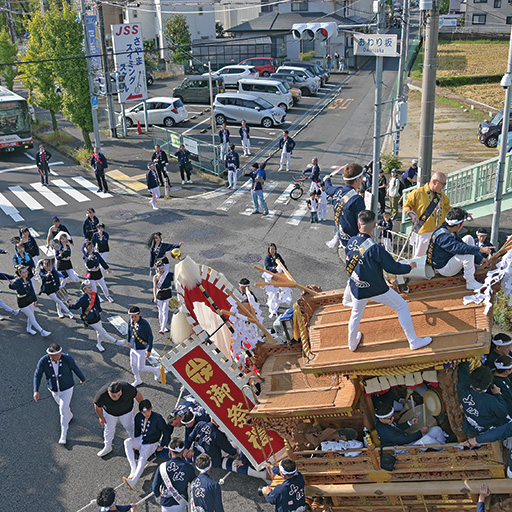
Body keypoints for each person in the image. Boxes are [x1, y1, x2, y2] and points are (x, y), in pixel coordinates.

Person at [343, 210, 432, 352]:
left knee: (355, 315)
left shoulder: (351, 241)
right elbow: (393, 268)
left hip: (357, 287)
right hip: (376, 288)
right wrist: (409, 267)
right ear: (374, 225)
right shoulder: (376, 248)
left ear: (359, 225)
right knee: (402, 306)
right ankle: (413, 341)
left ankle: (352, 344)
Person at [458, 361, 512, 478]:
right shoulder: (489, 400)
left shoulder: (463, 390)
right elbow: (503, 412)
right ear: (488, 385)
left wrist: (466, 361)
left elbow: (462, 374)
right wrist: (498, 394)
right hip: (488, 429)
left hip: (472, 427)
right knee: (508, 420)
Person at [426, 207, 493, 291]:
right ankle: (470, 282)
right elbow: (459, 248)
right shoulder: (443, 237)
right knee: (467, 253)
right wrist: (480, 250)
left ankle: (473, 265)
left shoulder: (447, 228)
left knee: (468, 238)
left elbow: (462, 244)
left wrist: (480, 259)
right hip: (444, 268)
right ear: (458, 225)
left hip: (449, 259)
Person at [33, 343, 86, 444]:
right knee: (64, 408)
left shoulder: (67, 358)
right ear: (50, 355)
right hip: (53, 390)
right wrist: (36, 390)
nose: (59, 356)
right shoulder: (43, 361)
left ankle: (63, 434)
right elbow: (37, 375)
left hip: (67, 388)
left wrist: (82, 378)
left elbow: (75, 368)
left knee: (62, 410)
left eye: (60, 354)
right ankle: (69, 415)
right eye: (56, 355)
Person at [123, 399, 172, 489]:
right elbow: (137, 430)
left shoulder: (158, 418)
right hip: (141, 438)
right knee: (127, 442)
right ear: (140, 412)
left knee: (142, 458)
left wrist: (162, 445)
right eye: (144, 412)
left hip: (151, 443)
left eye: (148, 411)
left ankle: (133, 481)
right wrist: (135, 444)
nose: (146, 414)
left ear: (151, 409)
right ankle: (133, 469)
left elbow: (166, 431)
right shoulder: (138, 417)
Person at [403, 171, 451, 257]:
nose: (444, 187)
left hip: (438, 232)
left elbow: (448, 209)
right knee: (418, 258)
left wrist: (462, 214)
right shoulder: (418, 193)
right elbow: (406, 205)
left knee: (436, 258)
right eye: (443, 184)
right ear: (434, 182)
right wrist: (412, 215)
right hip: (423, 232)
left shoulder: (442, 196)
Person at [68, 280, 124, 352]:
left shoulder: (94, 294)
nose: (91, 288)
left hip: (97, 316)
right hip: (89, 318)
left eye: (91, 287)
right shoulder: (83, 298)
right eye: (88, 288)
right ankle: (116, 341)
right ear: (84, 289)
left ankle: (99, 344)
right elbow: (76, 306)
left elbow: (97, 303)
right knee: (103, 331)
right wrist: (70, 305)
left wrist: (99, 310)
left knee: (99, 332)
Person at [94, 381, 143, 457]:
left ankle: (136, 444)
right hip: (110, 413)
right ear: (108, 392)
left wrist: (142, 408)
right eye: (113, 396)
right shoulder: (102, 394)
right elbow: (97, 406)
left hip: (126, 412)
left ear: (121, 390)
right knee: (109, 429)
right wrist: (101, 417)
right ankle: (107, 446)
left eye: (119, 395)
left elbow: (137, 394)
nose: (116, 397)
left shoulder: (127, 388)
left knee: (130, 427)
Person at [324, 163, 366, 250]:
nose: (362, 180)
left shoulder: (337, 191)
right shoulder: (357, 200)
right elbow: (361, 225)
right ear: (357, 179)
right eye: (361, 177)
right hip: (354, 244)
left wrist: (327, 179)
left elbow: (328, 188)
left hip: (342, 237)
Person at [152, 438, 196, 512]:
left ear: (170, 451)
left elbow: (155, 486)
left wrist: (159, 495)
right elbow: (194, 484)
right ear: (183, 451)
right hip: (181, 503)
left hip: (166, 504)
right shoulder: (188, 467)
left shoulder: (162, 466)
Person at [375, 403, 447, 448]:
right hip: (401, 449)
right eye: (390, 418)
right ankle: (445, 450)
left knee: (437, 429)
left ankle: (443, 447)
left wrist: (409, 423)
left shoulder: (386, 422)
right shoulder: (386, 430)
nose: (393, 419)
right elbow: (406, 440)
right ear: (381, 419)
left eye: (393, 416)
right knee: (427, 439)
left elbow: (397, 428)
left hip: (405, 442)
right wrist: (421, 432)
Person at [9, 265, 51, 337]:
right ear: (20, 274)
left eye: (26, 271)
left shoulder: (28, 279)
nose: (26, 273)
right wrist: (11, 285)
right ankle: (42, 331)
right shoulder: (18, 281)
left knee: (31, 315)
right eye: (23, 272)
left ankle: (28, 328)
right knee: (32, 317)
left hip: (29, 299)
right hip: (22, 302)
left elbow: (32, 290)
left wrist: (35, 300)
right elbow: (14, 287)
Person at [127, 305, 161, 386]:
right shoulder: (131, 321)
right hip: (133, 347)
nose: (133, 318)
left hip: (141, 348)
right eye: (131, 316)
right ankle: (137, 379)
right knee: (133, 365)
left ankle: (156, 370)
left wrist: (149, 350)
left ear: (139, 314)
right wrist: (128, 341)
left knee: (141, 368)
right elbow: (129, 330)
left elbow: (150, 337)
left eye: (135, 316)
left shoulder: (144, 324)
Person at [153, 259, 173, 334]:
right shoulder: (155, 277)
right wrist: (155, 297)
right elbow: (154, 288)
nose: (161, 270)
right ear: (157, 268)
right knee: (160, 312)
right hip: (160, 295)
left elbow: (177, 278)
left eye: (162, 268)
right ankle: (162, 325)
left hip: (167, 294)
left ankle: (162, 329)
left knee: (165, 311)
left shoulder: (168, 274)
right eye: (159, 268)